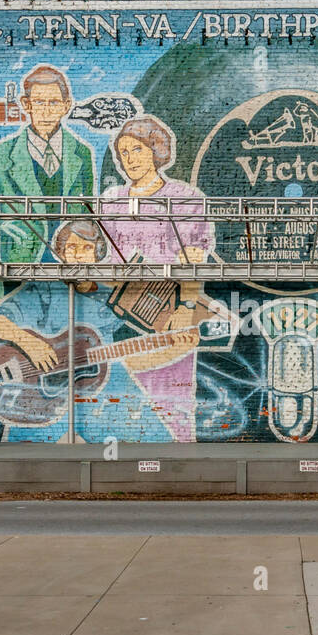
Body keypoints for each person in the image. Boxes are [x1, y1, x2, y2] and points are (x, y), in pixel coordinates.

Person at [0, 219, 196, 441]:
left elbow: (146, 332)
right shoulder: (44, 288)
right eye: (71, 248)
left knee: (152, 436)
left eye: (86, 248)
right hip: (38, 389)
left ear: (97, 254)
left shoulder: (112, 297)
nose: (78, 255)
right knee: (26, 450)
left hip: (98, 381)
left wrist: (178, 329)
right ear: (61, 253)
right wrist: (29, 342)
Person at [96, 115, 215, 442]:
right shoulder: (112, 202)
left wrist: (187, 307)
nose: (129, 159)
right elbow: (110, 260)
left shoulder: (185, 198)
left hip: (170, 314)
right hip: (123, 316)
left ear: (156, 150)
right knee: (128, 394)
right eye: (123, 153)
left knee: (172, 397)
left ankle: (180, 451)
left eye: (137, 149)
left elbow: (194, 258)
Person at [0, 64, 96, 306]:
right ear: (26, 105)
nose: (46, 111)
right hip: (18, 282)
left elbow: (89, 221)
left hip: (68, 280)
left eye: (53, 103)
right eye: (39, 103)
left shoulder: (82, 154)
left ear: (66, 105)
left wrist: (86, 279)